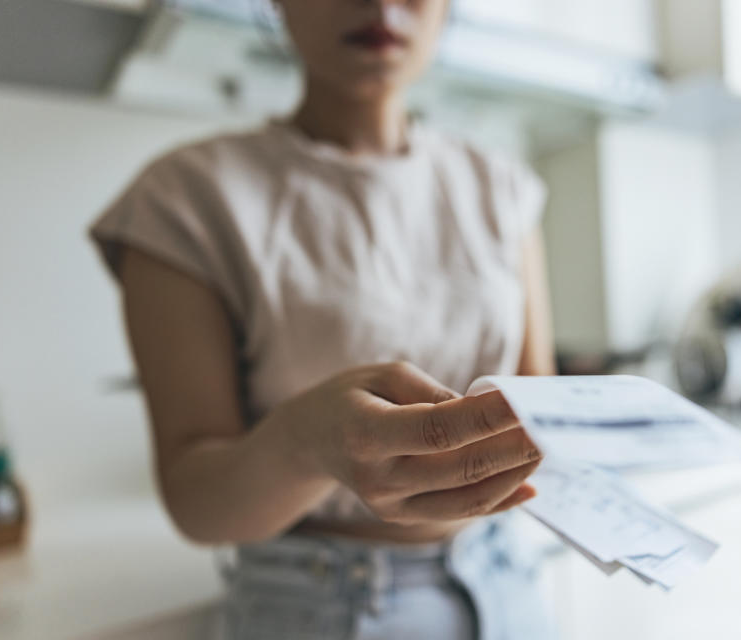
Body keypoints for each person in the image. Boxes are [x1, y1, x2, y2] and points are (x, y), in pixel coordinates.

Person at [90, 0, 559, 637]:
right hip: (317, 607)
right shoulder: (184, 201)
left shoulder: (503, 189)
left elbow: (547, 415)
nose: (381, 5)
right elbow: (194, 501)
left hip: (509, 583)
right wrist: (308, 443)